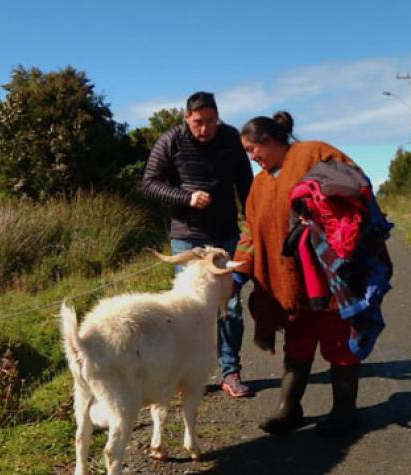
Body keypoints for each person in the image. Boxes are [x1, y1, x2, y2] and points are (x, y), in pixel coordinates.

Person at [232, 111, 391, 437]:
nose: (251, 157)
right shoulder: (259, 185)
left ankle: (345, 412)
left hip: (331, 277)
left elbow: (356, 185)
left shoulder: (313, 153)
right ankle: (288, 409)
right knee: (297, 344)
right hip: (288, 283)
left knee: (338, 341)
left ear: (270, 141)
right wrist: (238, 272)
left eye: (252, 149)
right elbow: (249, 232)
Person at [142, 91, 255, 398]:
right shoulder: (171, 141)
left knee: (230, 305)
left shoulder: (231, 138)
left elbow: (246, 184)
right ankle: (188, 375)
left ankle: (230, 372)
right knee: (187, 310)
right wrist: (186, 197)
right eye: (197, 123)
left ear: (218, 117)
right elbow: (149, 183)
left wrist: (254, 224)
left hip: (226, 236)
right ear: (186, 119)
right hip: (187, 238)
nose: (204, 129)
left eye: (210, 122)